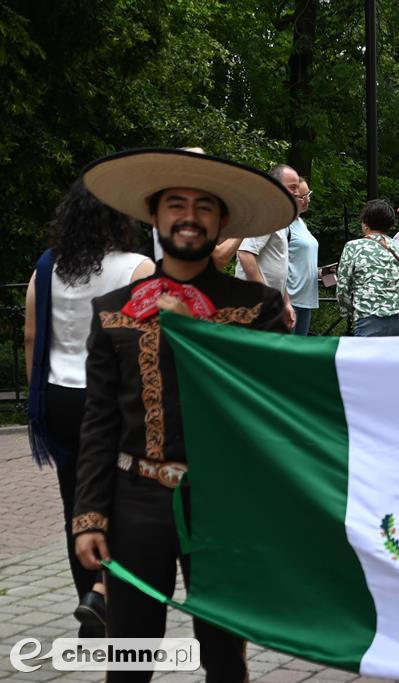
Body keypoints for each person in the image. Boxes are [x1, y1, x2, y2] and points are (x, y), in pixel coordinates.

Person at [72, 147, 294, 682]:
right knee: (129, 657)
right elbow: (98, 420)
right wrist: (89, 517)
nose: (188, 216)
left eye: (203, 206)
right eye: (175, 203)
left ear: (221, 221)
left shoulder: (257, 309)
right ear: (155, 214)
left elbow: (273, 407)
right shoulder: (114, 311)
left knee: (223, 656)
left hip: (222, 505)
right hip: (134, 503)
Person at [23, 179, 155, 638]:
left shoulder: (48, 266)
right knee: (121, 503)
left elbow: (32, 335)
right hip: (116, 404)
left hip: (59, 398)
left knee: (75, 504)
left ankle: (89, 594)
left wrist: (38, 396)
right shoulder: (138, 267)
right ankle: (108, 596)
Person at [231, 163, 299, 330]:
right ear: (274, 187)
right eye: (292, 187)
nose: (297, 193)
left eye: (297, 187)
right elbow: (245, 253)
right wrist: (267, 296)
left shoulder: (280, 217)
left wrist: (286, 303)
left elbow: (279, 267)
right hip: (254, 305)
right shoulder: (268, 215)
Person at [336, 199, 399, 336]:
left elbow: (343, 287)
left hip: (371, 315)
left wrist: (349, 312)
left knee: (368, 357)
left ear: (365, 222)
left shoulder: (353, 247)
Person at [286, 177, 319, 335]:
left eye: (308, 194)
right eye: (303, 196)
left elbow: (300, 260)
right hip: (290, 298)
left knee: (298, 350)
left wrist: (320, 273)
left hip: (306, 299)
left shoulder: (301, 223)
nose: (308, 199)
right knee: (286, 352)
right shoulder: (283, 224)